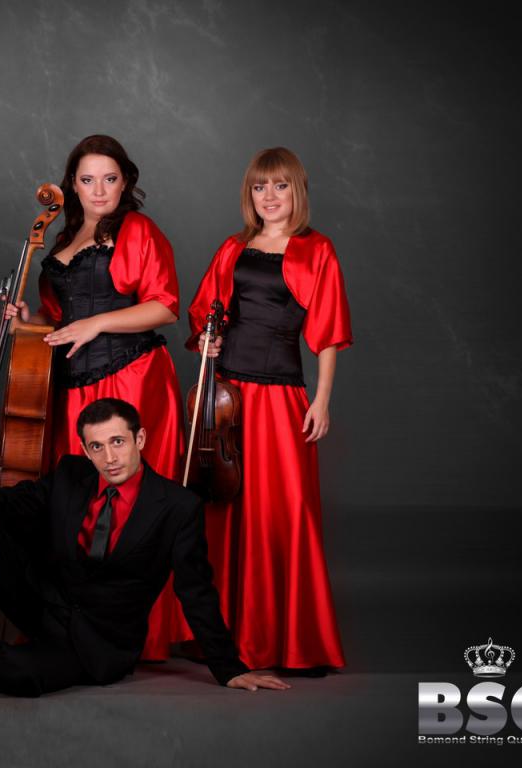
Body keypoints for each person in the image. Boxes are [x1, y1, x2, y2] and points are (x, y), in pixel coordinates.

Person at [0, 398, 291, 697]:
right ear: (85, 450)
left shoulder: (177, 506)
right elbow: (9, 505)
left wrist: (229, 668)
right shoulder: (72, 474)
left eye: (118, 442)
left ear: (140, 439)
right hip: (43, 604)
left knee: (20, 678)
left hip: (97, 641)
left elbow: (197, 592)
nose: (109, 457)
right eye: (97, 447)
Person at [3, 134, 189, 658]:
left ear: (125, 182)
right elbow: (60, 322)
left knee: (132, 504)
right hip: (74, 386)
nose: (99, 190)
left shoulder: (139, 230)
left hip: (132, 377)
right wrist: (29, 321)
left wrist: (97, 323)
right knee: (76, 505)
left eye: (110, 178)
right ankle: (77, 624)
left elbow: (165, 306)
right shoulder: (63, 238)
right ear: (73, 185)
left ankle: (137, 633)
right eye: (88, 180)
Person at [186, 147, 352, 673]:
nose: (269, 196)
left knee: (284, 510)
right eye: (260, 187)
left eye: (280, 186)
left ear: (296, 191)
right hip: (229, 397)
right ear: (249, 194)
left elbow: (328, 332)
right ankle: (222, 635)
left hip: (281, 397)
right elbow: (207, 312)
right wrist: (207, 339)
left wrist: (322, 399)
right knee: (227, 507)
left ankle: (293, 642)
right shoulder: (233, 247)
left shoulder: (317, 249)